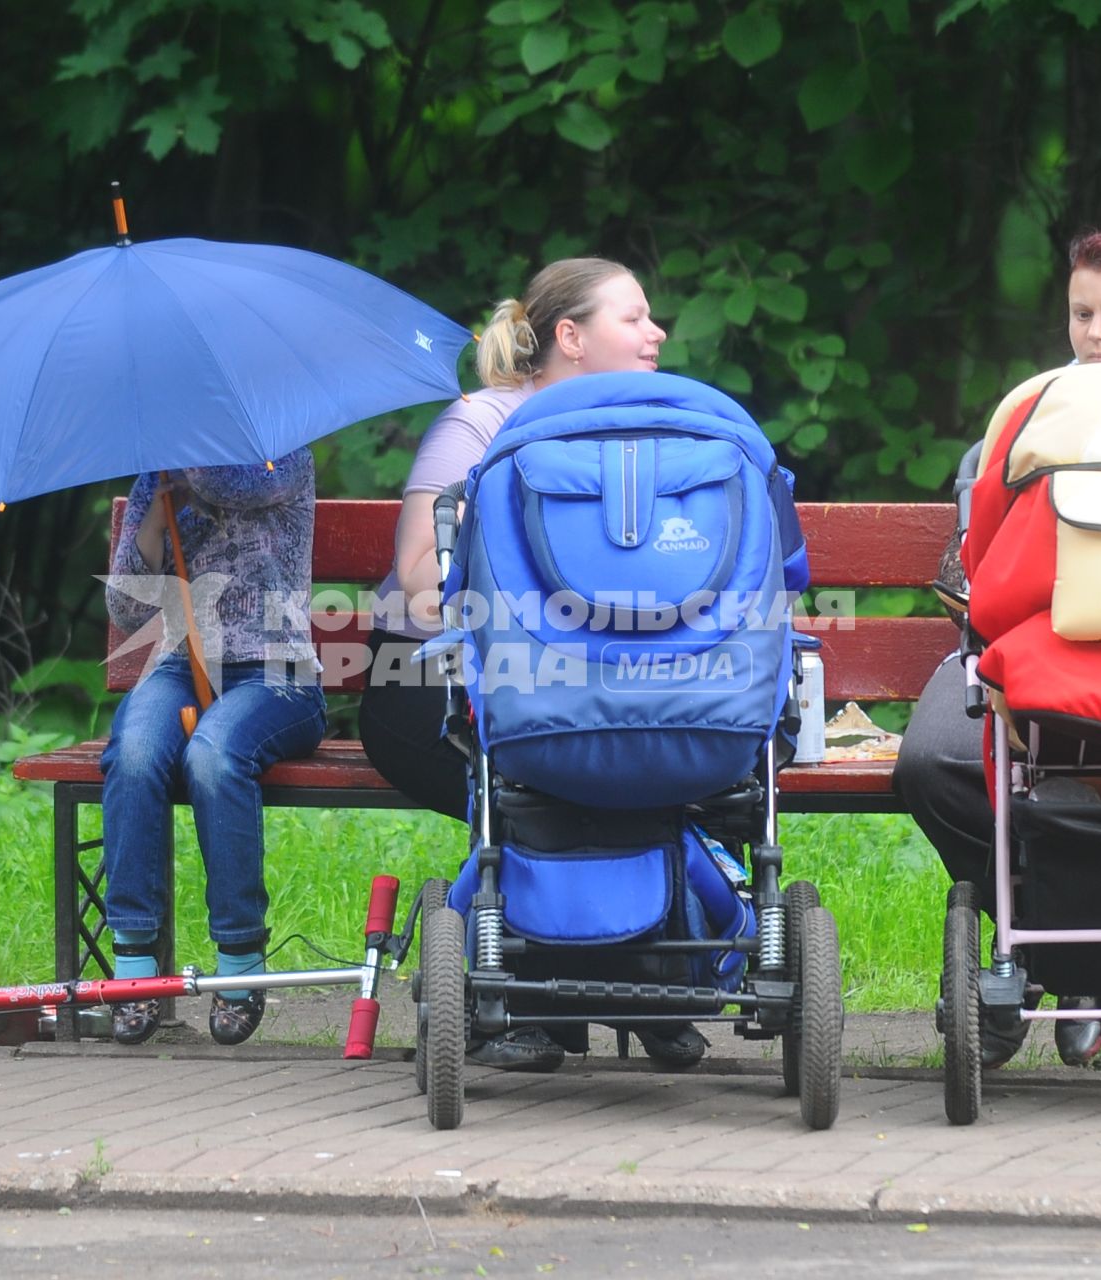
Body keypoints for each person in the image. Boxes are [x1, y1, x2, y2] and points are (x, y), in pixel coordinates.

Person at [358, 257, 706, 1073]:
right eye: (635, 317)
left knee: (614, 747)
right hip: (428, 679)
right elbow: (416, 586)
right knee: (547, 764)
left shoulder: (652, 430)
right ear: (571, 337)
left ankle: (595, 985)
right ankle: (578, 986)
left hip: (576, 682)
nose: (657, 333)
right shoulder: (482, 423)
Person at [894, 227, 1101, 1070]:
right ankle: (1044, 950)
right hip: (1030, 663)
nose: (1096, 334)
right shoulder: (1017, 428)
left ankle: (1078, 966)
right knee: (932, 761)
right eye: (1081, 313)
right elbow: (974, 577)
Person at [100, 451, 326, 1047]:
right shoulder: (159, 473)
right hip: (181, 665)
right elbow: (125, 610)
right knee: (135, 752)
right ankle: (134, 961)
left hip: (279, 673)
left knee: (213, 755)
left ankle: (240, 957)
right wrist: (152, 519)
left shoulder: (281, 454)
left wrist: (177, 460)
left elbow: (237, 486)